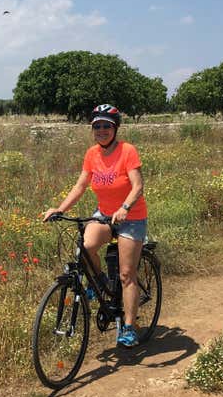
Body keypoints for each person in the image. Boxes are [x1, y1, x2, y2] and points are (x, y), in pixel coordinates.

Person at [43, 104, 148, 348]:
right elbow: (80, 186)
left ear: (115, 128)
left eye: (106, 126)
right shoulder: (92, 154)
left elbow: (138, 186)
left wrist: (125, 208)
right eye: (97, 126)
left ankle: (130, 327)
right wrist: (60, 209)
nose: (101, 130)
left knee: (126, 274)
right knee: (86, 247)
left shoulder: (127, 151)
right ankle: (98, 284)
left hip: (130, 217)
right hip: (104, 214)